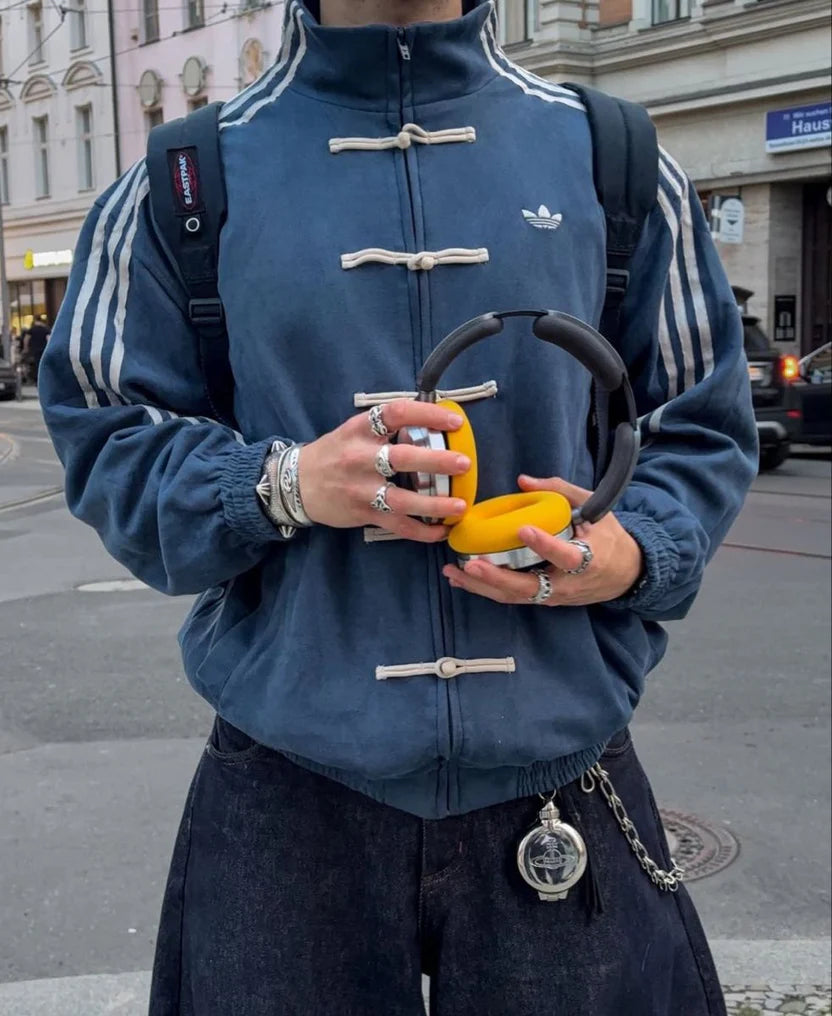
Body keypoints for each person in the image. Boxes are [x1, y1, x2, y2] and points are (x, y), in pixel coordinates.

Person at [38, 0, 757, 1012]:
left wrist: (633, 548)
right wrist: (282, 483)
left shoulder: (616, 160)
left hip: (561, 771)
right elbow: (107, 429)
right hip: (288, 788)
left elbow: (698, 416)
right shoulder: (183, 183)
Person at [22, 314, 50, 384]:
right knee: (42, 364)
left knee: (35, 365)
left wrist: (26, 348)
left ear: (35, 320)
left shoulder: (32, 329)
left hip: (34, 350)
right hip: (43, 350)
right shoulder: (45, 329)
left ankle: (36, 379)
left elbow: (26, 339)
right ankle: (43, 379)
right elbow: (48, 339)